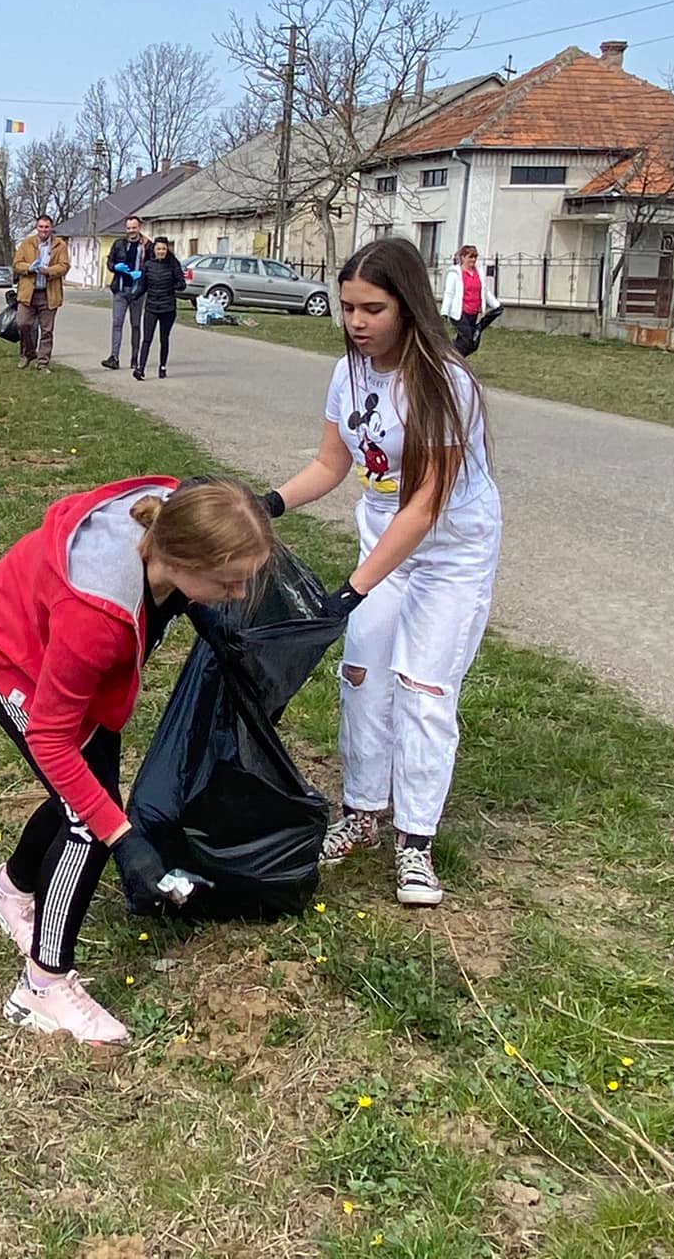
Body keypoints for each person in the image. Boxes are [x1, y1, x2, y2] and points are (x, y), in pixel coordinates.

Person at [0, 477, 275, 1045]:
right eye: (228, 584)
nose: (237, 595)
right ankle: (42, 988)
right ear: (180, 561)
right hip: (11, 651)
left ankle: (9, 890)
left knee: (88, 796)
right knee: (89, 820)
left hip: (64, 652)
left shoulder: (175, 513)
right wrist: (125, 842)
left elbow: (212, 548)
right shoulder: (97, 616)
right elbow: (53, 744)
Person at [259, 238, 501, 908]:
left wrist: (355, 586)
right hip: (383, 547)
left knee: (424, 686)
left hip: (448, 554)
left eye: (373, 308)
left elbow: (423, 506)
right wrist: (269, 503)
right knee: (362, 676)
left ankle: (416, 845)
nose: (357, 323)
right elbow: (333, 464)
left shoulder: (445, 383)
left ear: (409, 306)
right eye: (347, 309)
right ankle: (363, 815)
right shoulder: (350, 372)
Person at [13, 214, 71, 370]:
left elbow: (64, 266)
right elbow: (17, 264)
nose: (43, 230)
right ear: (36, 228)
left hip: (49, 293)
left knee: (47, 330)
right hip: (28, 292)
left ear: (51, 228)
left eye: (46, 227)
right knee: (22, 324)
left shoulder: (60, 245)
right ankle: (29, 353)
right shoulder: (26, 244)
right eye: (41, 227)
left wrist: (48, 271)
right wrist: (29, 267)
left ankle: (43, 363)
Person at [132, 235, 186, 381]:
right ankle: (140, 369)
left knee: (164, 338)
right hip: (151, 307)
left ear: (167, 249)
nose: (161, 251)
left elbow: (182, 284)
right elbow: (142, 286)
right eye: (158, 249)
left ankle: (162, 366)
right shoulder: (148, 265)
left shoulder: (173, 264)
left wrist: (171, 287)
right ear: (154, 250)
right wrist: (134, 296)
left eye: (163, 249)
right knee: (147, 338)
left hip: (168, 308)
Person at [101, 217, 152, 371]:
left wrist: (142, 273)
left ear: (139, 227)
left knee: (135, 325)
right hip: (120, 290)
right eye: (129, 228)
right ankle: (114, 357)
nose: (131, 231)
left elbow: (152, 266)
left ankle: (135, 359)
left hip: (137, 292)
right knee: (117, 324)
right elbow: (109, 262)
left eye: (134, 228)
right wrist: (115, 267)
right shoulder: (119, 244)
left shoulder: (147, 246)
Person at [440, 245, 501, 358]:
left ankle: (448, 358)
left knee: (472, 343)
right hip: (458, 313)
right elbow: (449, 293)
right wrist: (444, 312)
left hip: (473, 313)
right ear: (463, 257)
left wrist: (496, 305)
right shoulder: (455, 273)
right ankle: (452, 360)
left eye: (475, 257)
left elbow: (484, 291)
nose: (473, 260)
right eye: (470, 257)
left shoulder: (478, 272)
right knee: (468, 340)